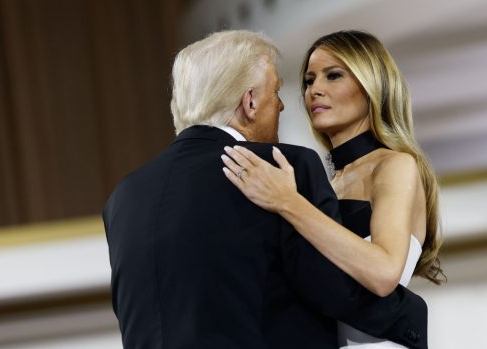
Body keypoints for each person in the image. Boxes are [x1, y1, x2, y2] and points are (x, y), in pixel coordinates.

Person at [103, 30, 427, 349]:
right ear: (251, 101)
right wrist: (412, 318)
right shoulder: (281, 167)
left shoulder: (124, 197)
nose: (286, 105)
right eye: (277, 92)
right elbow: (332, 289)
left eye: (332, 76)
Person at [221, 30, 444, 349]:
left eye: (333, 75)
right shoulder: (329, 182)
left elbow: (383, 274)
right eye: (310, 80)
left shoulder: (395, 165)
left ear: (372, 85)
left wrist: (287, 202)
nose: (315, 90)